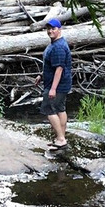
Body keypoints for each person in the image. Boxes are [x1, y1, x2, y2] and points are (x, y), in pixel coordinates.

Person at [35, 18, 72, 150]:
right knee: (60, 108)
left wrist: (53, 89)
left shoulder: (59, 47)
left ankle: (61, 139)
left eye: (53, 28)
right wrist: (42, 75)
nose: (50, 31)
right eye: (48, 28)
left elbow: (59, 68)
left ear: (59, 29)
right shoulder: (55, 44)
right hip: (59, 83)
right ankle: (60, 137)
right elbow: (50, 65)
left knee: (48, 109)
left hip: (58, 85)